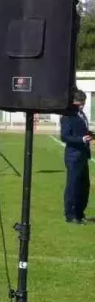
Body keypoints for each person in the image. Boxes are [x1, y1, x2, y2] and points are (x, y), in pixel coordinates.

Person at [61, 90, 92, 224]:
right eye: (79, 104)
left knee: (84, 185)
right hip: (73, 156)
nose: (81, 107)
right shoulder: (68, 116)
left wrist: (90, 135)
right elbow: (65, 136)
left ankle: (80, 212)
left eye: (83, 104)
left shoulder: (82, 115)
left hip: (83, 154)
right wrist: (81, 139)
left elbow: (83, 132)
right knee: (73, 185)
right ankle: (70, 214)